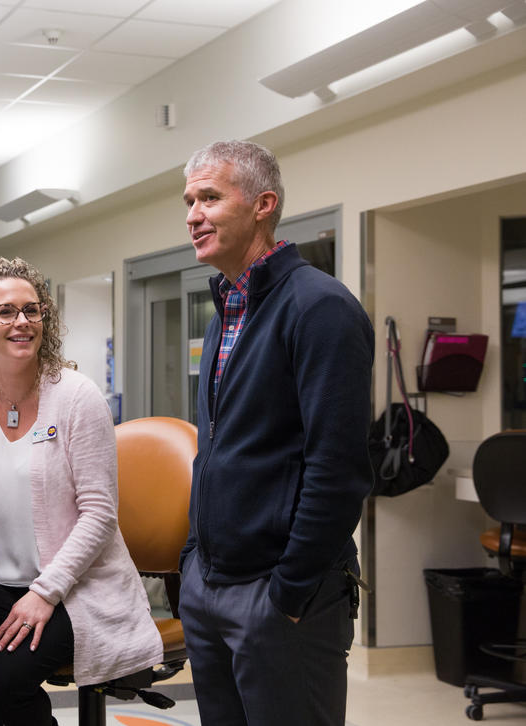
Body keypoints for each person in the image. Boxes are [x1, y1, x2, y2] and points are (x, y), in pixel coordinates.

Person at [0, 257, 163, 726]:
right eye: (5, 311)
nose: (22, 321)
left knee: (0, 679)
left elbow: (100, 514)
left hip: (73, 589)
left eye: (32, 310)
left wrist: (45, 592)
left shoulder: (77, 397)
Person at [178, 140, 373, 725]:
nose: (192, 214)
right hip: (210, 586)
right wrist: (193, 563)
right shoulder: (224, 318)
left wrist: (287, 592)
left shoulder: (319, 307)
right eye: (189, 200)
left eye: (209, 197)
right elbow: (217, 451)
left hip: (280, 595)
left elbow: (337, 470)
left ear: (263, 205)